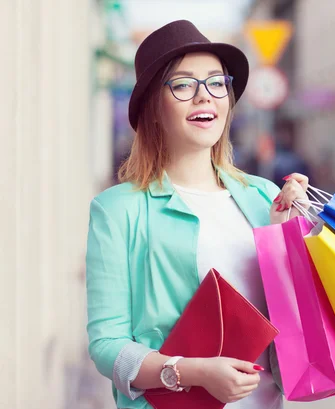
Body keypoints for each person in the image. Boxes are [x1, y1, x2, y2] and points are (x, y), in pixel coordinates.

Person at [85, 20, 309, 409]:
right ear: (153, 107)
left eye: (216, 82)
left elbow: (293, 318)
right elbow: (107, 346)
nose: (204, 96)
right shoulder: (118, 209)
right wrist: (192, 371)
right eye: (184, 84)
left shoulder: (264, 197)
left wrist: (298, 237)